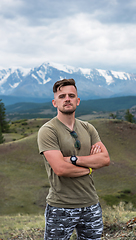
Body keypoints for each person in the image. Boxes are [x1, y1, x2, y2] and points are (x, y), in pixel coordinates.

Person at [37, 78, 110, 240]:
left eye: (71, 96)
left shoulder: (88, 128)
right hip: (61, 206)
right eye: (62, 96)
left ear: (78, 101)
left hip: (91, 204)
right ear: (54, 102)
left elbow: (105, 159)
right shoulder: (48, 131)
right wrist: (91, 165)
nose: (67, 99)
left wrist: (73, 159)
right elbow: (61, 169)